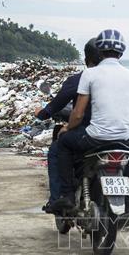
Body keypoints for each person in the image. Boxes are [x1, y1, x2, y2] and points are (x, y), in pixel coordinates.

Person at [57, 29, 129, 212]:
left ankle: (66, 195)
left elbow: (78, 114)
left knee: (63, 143)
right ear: (121, 52)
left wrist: (67, 128)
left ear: (99, 51)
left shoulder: (90, 74)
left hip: (95, 138)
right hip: (125, 139)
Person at [35, 38, 102, 213]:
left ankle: (62, 197)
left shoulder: (81, 79)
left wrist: (41, 113)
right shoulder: (122, 79)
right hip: (121, 136)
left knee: (57, 149)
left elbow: (66, 109)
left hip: (87, 134)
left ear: (87, 59)